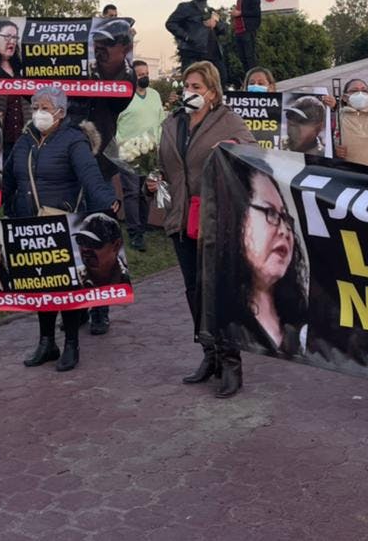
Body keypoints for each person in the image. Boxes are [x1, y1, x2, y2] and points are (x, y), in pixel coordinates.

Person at [152, 61, 254, 397]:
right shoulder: (174, 122)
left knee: (217, 291)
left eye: (197, 87)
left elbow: (252, 155)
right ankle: (208, 355)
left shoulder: (228, 120)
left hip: (215, 219)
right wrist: (152, 181)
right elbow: (163, 164)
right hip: (181, 219)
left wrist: (231, 150)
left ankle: (230, 362)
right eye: (187, 85)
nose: (189, 92)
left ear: (212, 90)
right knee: (194, 291)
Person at [2, 85, 119, 372]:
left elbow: (90, 175)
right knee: (41, 286)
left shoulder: (73, 140)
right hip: (29, 224)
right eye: (36, 106)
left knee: (65, 288)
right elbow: (8, 177)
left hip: (61, 223)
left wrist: (108, 202)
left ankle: (70, 345)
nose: (39, 113)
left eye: (45, 107)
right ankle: (46, 342)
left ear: (61, 112)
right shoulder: (24, 140)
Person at [211, 158, 308, 357]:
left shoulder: (301, 323)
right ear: (237, 215)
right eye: (270, 213)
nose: (284, 230)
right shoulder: (223, 312)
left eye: (285, 217)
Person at [115, 59, 165, 252]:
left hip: (151, 150)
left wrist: (159, 144)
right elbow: (116, 122)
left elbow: (160, 119)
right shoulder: (124, 97)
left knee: (147, 191)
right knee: (132, 192)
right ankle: (135, 233)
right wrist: (121, 145)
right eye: (140, 74)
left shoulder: (154, 95)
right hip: (128, 150)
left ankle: (143, 226)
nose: (144, 76)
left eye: (146, 73)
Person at [166, 0, 229, 87]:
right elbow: (170, 23)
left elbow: (225, 29)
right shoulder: (185, 7)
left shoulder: (211, 11)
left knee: (221, 80)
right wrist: (187, 37)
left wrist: (216, 24)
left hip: (213, 54)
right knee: (192, 81)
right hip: (193, 52)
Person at [74, 212, 128, 287]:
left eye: (94, 243)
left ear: (116, 246)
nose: (85, 248)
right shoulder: (72, 280)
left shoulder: (128, 280)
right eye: (81, 240)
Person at [334, 78, 368, 166]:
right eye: (354, 91)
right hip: (351, 173)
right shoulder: (337, 117)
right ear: (344, 97)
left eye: (364, 90)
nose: (360, 94)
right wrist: (334, 151)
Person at [230, 0, 262, 73]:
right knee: (242, 57)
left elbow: (256, 12)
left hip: (247, 30)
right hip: (239, 31)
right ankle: (247, 77)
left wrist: (241, 13)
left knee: (249, 56)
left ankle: (253, 76)